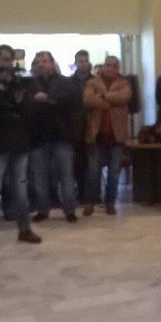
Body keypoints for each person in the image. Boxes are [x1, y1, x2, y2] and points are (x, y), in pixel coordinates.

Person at [0, 44, 42, 249]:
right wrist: (0, 88)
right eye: (4, 59)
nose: (8, 64)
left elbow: (28, 112)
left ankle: (24, 229)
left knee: (21, 189)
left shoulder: (17, 80)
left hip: (18, 142)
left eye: (10, 59)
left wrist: (21, 100)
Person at [29, 51, 79, 223]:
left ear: (52, 62)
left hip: (61, 136)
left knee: (66, 175)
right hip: (39, 137)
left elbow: (73, 102)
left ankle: (70, 210)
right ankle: (43, 210)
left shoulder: (66, 82)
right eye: (38, 62)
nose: (41, 64)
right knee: (40, 177)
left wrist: (49, 99)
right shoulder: (32, 84)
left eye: (44, 61)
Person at [82, 55, 132, 216]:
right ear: (103, 66)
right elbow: (88, 100)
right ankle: (89, 202)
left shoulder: (124, 83)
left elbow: (124, 97)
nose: (110, 68)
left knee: (114, 171)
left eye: (113, 65)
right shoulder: (92, 82)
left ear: (118, 68)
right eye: (107, 65)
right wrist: (111, 101)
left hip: (117, 136)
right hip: (96, 134)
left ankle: (110, 202)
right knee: (93, 171)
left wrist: (103, 96)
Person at [70, 49, 94, 202]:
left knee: (92, 162)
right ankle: (80, 191)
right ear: (76, 63)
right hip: (75, 127)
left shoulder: (96, 81)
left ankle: (93, 193)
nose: (83, 64)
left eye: (85, 61)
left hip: (92, 125)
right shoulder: (69, 82)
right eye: (80, 61)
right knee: (78, 162)